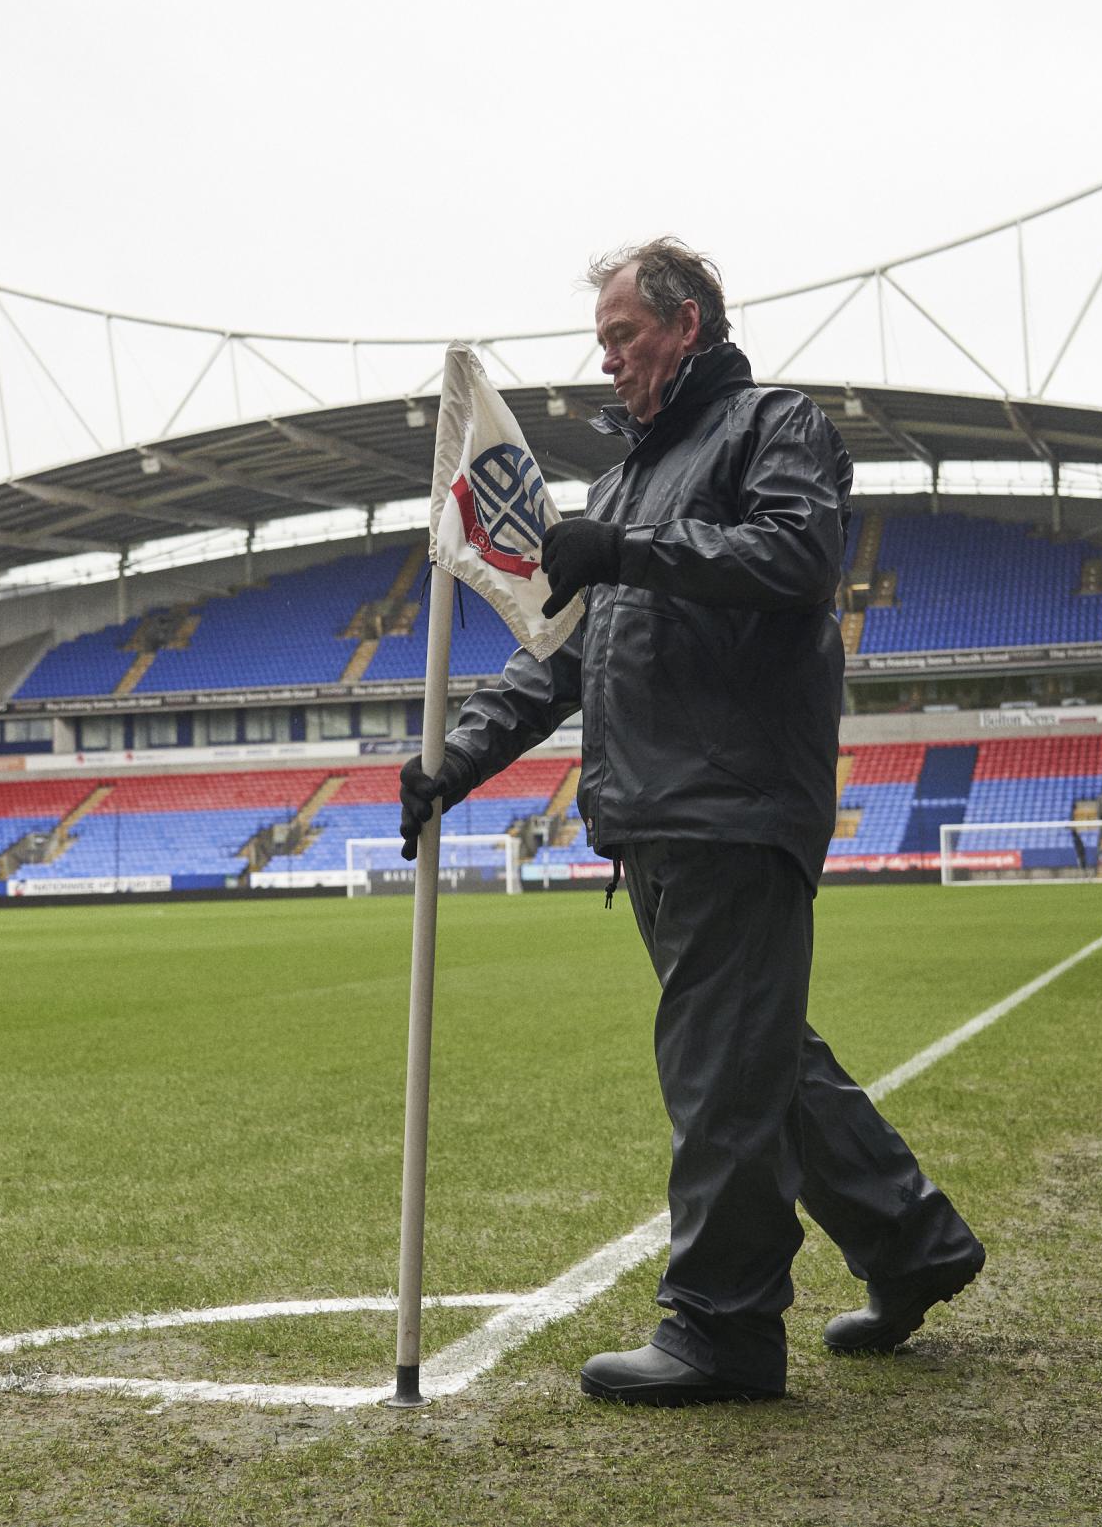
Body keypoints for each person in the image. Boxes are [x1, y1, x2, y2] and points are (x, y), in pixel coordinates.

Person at [398, 238, 985, 1406]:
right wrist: (449, 761)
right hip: (655, 813)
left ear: (691, 321)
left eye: (624, 335)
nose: (607, 360)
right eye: (603, 339)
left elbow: (795, 553)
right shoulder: (615, 490)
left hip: (733, 799)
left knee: (718, 1068)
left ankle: (723, 1328)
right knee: (758, 1053)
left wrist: (629, 550)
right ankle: (913, 1241)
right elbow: (557, 662)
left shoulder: (775, 425)